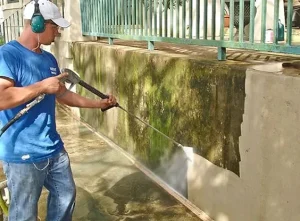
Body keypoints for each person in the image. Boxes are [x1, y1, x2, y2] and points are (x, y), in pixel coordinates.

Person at [0, 0, 117, 220]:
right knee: (24, 213)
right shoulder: (7, 55)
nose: (58, 33)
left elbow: (62, 94)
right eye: (55, 27)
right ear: (37, 25)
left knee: (66, 195)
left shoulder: (49, 59)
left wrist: (98, 104)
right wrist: (41, 86)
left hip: (53, 148)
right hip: (22, 154)